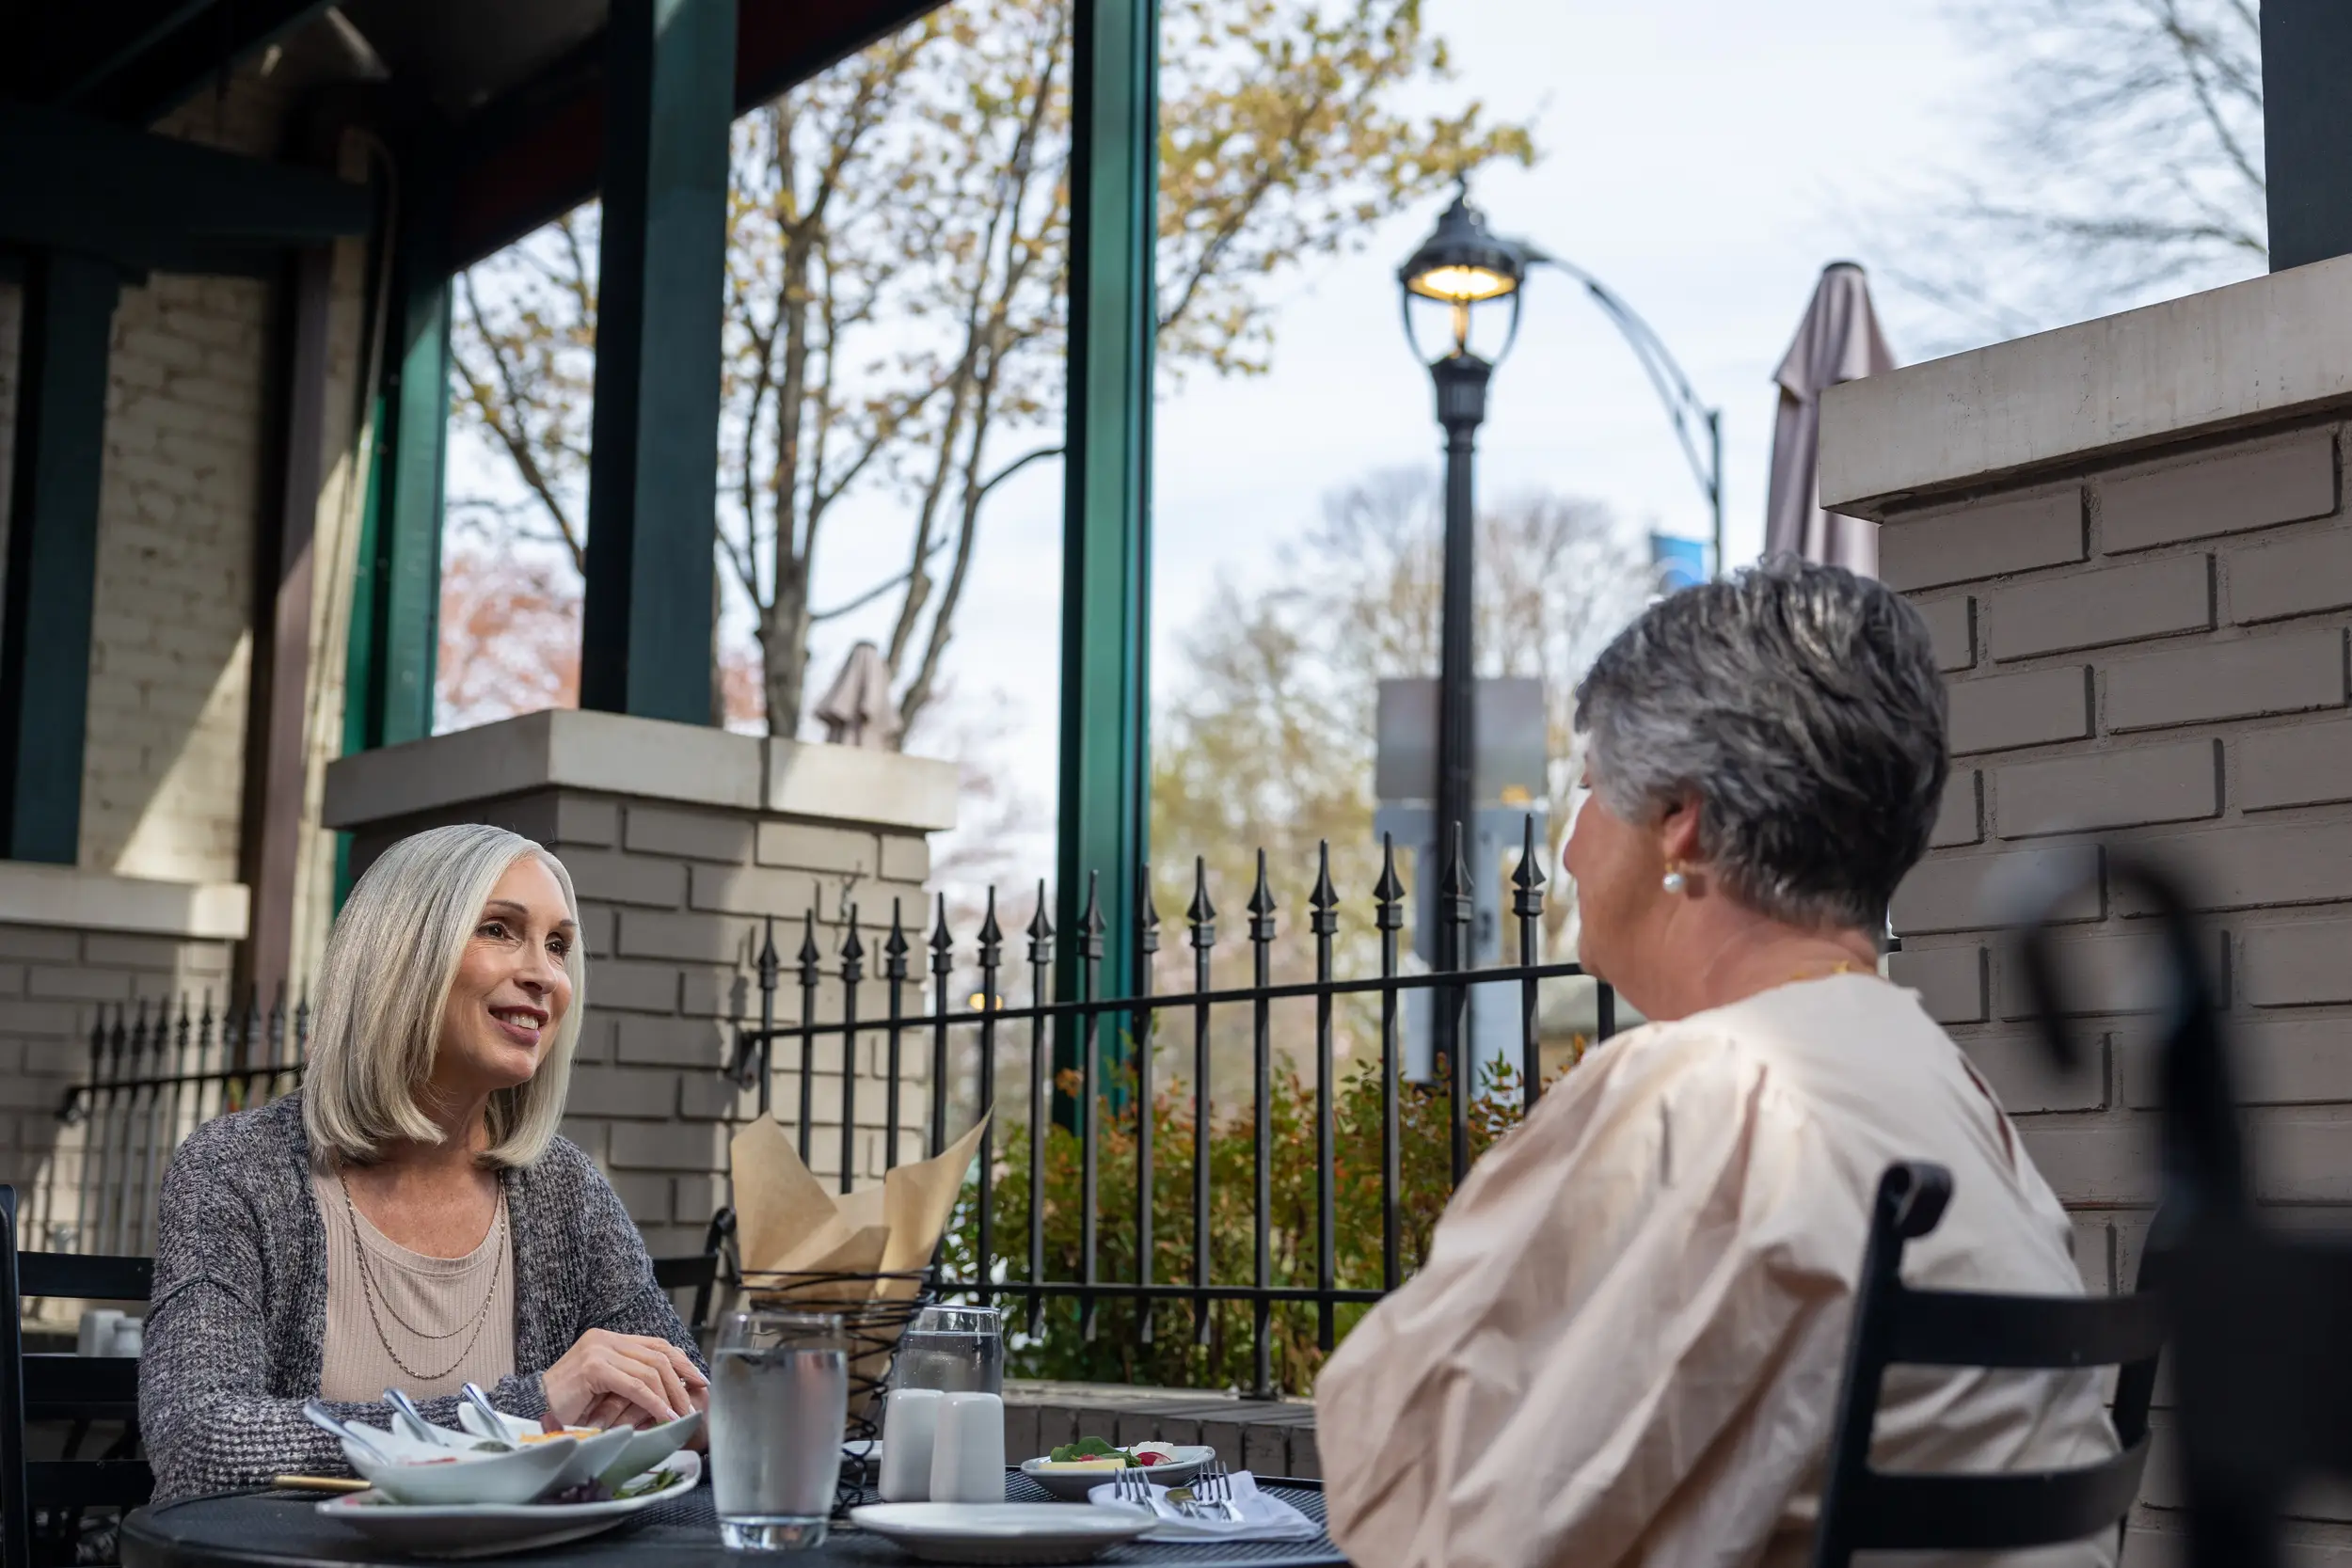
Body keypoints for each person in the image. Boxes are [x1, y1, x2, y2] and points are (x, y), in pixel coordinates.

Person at [1315, 561, 2117, 1568]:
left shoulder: (1711, 1095)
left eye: (1589, 790)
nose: (1567, 851)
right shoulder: (1946, 1091)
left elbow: (1432, 1502)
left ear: (1680, 820)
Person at [139, 824, 708, 1502]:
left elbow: (691, 1406)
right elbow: (198, 1439)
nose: (543, 973)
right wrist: (524, 1411)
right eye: (499, 929)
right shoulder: (236, 1168)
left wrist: (692, 1410)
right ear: (402, 952)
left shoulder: (566, 1190)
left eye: (558, 944)